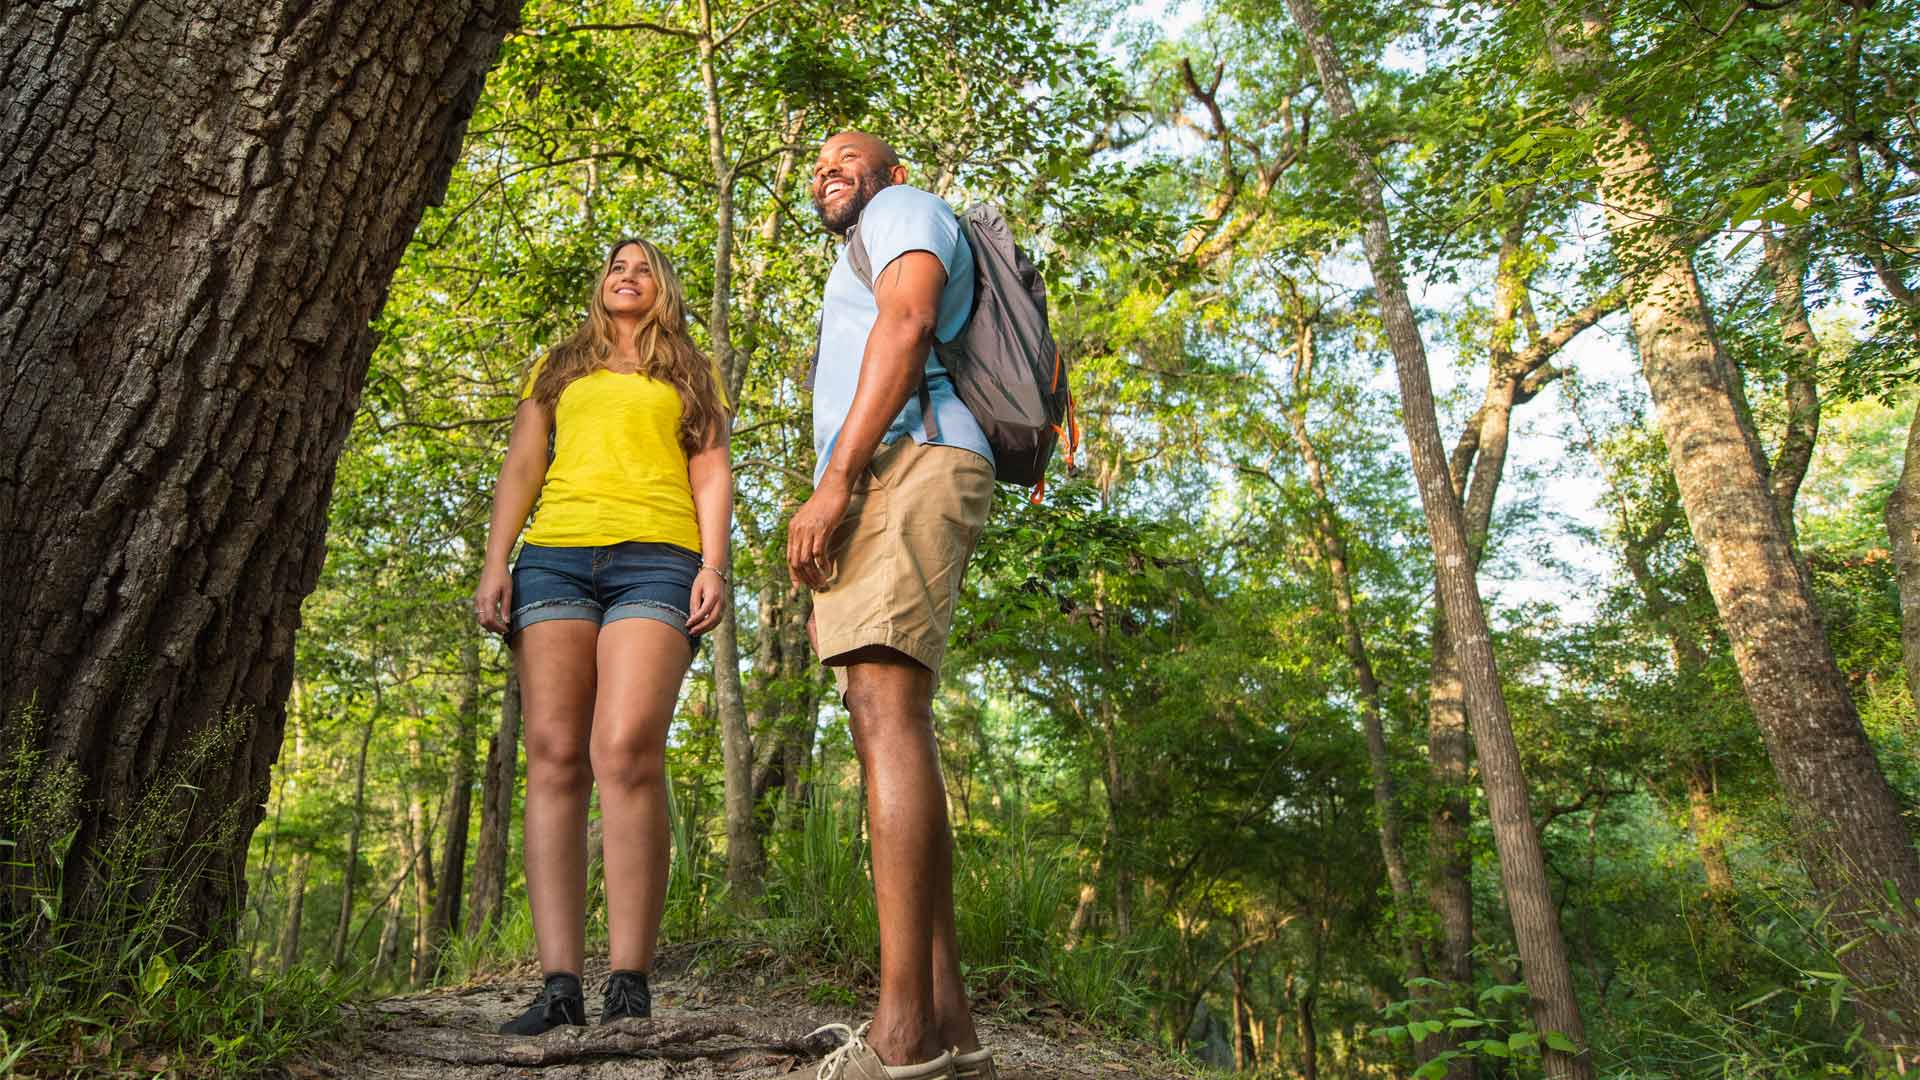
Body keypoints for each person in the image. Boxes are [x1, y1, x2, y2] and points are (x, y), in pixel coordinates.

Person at [473, 237, 732, 1035]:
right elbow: (523, 464)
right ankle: (558, 988)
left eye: (644, 266)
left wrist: (714, 564)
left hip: (659, 559)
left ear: (664, 286)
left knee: (623, 749)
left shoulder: (690, 367)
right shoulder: (560, 365)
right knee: (552, 754)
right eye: (616, 267)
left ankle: (629, 984)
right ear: (602, 286)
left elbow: (713, 469)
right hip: (554, 559)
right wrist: (496, 562)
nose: (627, 275)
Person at [784, 131, 997, 1080]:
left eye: (849, 156)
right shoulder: (865, 236)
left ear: (892, 172)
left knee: (886, 712)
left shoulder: (903, 211)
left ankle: (901, 1037)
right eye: (819, 163)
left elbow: (907, 326)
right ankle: (948, 1031)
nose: (830, 168)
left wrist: (835, 484)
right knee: (886, 720)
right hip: (894, 466)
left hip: (909, 459)